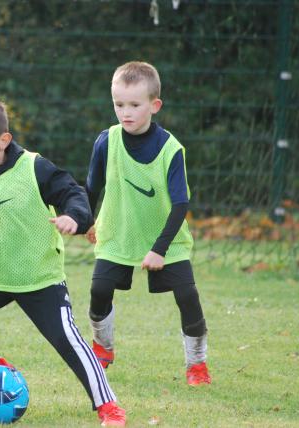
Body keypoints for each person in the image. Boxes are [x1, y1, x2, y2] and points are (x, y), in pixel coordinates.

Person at [0, 97, 126, 426]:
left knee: (67, 340)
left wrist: (75, 217)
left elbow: (71, 192)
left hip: (39, 279)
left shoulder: (34, 167)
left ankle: (108, 406)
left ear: (4, 141)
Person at [85, 61, 211, 386]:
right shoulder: (106, 141)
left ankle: (197, 365)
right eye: (118, 104)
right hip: (118, 232)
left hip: (166, 240)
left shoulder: (171, 149)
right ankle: (103, 346)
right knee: (99, 289)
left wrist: (159, 249)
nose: (125, 112)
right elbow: (91, 186)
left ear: (154, 105)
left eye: (134, 105)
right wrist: (86, 218)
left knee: (187, 296)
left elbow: (181, 203)